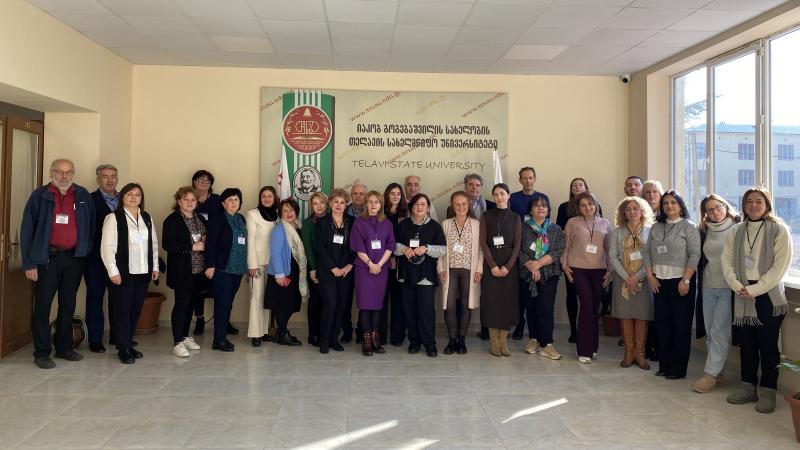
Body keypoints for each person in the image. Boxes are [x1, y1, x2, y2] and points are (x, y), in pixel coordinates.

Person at [722, 187, 792, 414]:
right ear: (743, 205)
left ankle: (769, 390)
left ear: (767, 204)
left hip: (768, 295)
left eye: (759, 201)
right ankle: (748, 387)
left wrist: (755, 289)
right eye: (749, 201)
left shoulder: (779, 230)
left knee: (768, 346)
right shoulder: (736, 230)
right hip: (742, 293)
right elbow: (726, 262)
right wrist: (738, 286)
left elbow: (780, 267)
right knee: (747, 344)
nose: (753, 205)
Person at [21, 159, 95, 369]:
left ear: (73, 173)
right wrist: (29, 263)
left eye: (69, 172)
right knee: (42, 307)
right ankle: (42, 352)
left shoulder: (82, 195)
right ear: (51, 173)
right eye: (60, 172)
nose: (64, 176)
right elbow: (27, 230)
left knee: (68, 305)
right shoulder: (40, 196)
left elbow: (91, 226)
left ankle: (64, 347)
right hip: (47, 259)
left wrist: (85, 249)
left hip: (74, 258)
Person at [101, 183, 159, 364]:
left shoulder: (146, 217)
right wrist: (113, 271)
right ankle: (123, 348)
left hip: (143, 272)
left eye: (138, 195)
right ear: (122, 197)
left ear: (141, 198)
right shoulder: (113, 218)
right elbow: (107, 247)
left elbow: (153, 244)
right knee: (122, 311)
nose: (134, 198)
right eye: (129, 194)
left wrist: (155, 267)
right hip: (123, 273)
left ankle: (128, 342)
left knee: (135, 310)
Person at [645, 190, 700, 379]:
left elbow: (695, 254)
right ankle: (664, 365)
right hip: (659, 281)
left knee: (680, 326)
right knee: (662, 325)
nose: (669, 206)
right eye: (666, 203)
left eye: (673, 203)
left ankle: (677, 369)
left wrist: (686, 279)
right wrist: (650, 276)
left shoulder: (689, 227)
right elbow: (647, 252)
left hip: (681, 282)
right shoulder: (656, 227)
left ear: (680, 206)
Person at [692, 194, 739, 392]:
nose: (715, 212)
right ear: (705, 214)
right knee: (711, 331)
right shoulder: (705, 230)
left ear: (725, 207)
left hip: (728, 287)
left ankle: (709, 375)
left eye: (718, 207)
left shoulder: (738, 228)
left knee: (720, 331)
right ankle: (718, 373)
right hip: (708, 286)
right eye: (710, 210)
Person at [562, 192, 611, 364]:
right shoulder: (572, 222)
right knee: (587, 305)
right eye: (583, 205)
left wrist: (611, 270)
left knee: (595, 308)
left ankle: (593, 346)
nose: (587, 207)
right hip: (578, 269)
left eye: (590, 204)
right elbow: (566, 245)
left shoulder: (605, 223)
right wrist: (564, 265)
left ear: (595, 205)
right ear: (578, 208)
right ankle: (583, 349)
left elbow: (609, 248)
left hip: (599, 270)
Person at [395, 193, 446, 357]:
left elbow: (443, 250)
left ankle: (430, 344)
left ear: (428, 208)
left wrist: (427, 248)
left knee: (426, 312)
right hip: (406, 274)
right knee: (409, 311)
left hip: (426, 276)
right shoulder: (403, 225)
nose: (419, 207)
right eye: (416, 204)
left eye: (423, 204)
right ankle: (414, 342)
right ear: (411, 208)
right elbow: (393, 246)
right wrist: (404, 249)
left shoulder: (435, 227)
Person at [609, 196, 654, 369]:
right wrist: (627, 277)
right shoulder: (617, 232)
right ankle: (629, 353)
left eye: (635, 208)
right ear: (623, 213)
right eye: (628, 209)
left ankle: (640, 354)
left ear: (642, 211)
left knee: (642, 315)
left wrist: (637, 276)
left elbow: (653, 257)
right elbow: (613, 257)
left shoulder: (650, 231)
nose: (632, 212)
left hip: (644, 279)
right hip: (622, 280)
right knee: (625, 314)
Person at [519, 193, 565, 360]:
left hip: (549, 274)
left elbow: (558, 251)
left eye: (544, 206)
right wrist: (531, 266)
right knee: (530, 308)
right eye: (536, 205)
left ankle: (547, 344)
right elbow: (518, 250)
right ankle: (533, 339)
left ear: (548, 209)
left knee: (546, 309)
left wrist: (538, 264)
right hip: (527, 273)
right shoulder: (522, 227)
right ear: (530, 209)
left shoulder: (555, 229)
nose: (540, 208)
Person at [161, 186, 205, 358]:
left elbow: (203, 236)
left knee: (190, 305)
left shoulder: (199, 218)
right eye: (185, 199)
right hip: (182, 271)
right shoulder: (172, 220)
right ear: (178, 201)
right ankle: (177, 342)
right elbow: (168, 244)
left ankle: (185, 337)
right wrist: (192, 247)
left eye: (193, 199)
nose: (189, 202)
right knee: (181, 305)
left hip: (198, 270)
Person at [437, 191, 483, 355]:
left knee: (465, 305)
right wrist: (440, 268)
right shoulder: (446, 224)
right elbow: (440, 249)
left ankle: (461, 340)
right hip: (450, 270)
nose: (461, 207)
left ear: (468, 205)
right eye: (457, 204)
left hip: (469, 271)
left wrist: (479, 268)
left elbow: (481, 250)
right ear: (452, 205)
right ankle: (452, 339)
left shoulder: (476, 224)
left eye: (464, 204)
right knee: (449, 306)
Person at [351, 191, 395, 356]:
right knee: (365, 306)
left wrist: (379, 265)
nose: (373, 205)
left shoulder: (387, 223)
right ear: (366, 204)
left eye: (376, 202)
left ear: (381, 204)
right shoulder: (358, 222)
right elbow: (358, 247)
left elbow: (390, 245)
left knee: (377, 306)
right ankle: (367, 340)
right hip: (364, 269)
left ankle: (376, 339)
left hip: (381, 270)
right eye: (370, 201)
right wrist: (370, 264)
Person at [480, 183, 522, 357]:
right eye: (496, 194)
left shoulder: (515, 217)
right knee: (492, 303)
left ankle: (503, 342)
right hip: (491, 263)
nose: (499, 197)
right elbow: (483, 243)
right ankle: (494, 342)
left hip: (508, 265)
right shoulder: (486, 215)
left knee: (506, 303)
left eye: (502, 193)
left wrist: (508, 266)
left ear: (508, 195)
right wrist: (492, 266)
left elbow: (517, 244)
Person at [204, 188, 248, 352]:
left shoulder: (240, 218)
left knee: (228, 303)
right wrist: (210, 265)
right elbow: (210, 243)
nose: (233, 203)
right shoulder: (218, 218)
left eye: (236, 199)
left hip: (238, 268)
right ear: (223, 203)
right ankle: (219, 340)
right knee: (222, 304)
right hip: (223, 268)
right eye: (230, 200)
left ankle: (222, 335)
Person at [509, 167, 549, 340]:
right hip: (520, 247)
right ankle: (519, 325)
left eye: (531, 177)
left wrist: (539, 259)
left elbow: (547, 223)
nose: (528, 181)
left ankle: (538, 330)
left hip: (540, 250)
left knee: (538, 296)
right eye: (524, 178)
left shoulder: (542, 197)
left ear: (535, 179)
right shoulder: (513, 198)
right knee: (520, 294)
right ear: (520, 180)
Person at [555, 177, 596, 343]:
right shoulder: (564, 207)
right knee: (572, 294)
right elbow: (560, 230)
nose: (577, 187)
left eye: (581, 184)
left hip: (593, 260)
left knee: (588, 298)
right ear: (571, 189)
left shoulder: (595, 205)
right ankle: (574, 330)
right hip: (571, 257)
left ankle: (587, 330)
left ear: (586, 187)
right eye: (574, 185)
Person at [314, 189, 354, 354]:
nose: (339, 205)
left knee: (341, 306)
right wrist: (333, 268)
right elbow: (319, 248)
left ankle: (334, 338)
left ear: (346, 205)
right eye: (336, 202)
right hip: (327, 272)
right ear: (330, 203)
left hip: (346, 272)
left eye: (342, 202)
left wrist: (348, 266)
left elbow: (356, 246)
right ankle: (324, 340)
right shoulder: (321, 222)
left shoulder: (352, 222)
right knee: (330, 305)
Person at [84, 164, 119, 353]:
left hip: (119, 259)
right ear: (98, 180)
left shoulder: (126, 199)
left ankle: (117, 336)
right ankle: (95, 339)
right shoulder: (89, 199)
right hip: (95, 259)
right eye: (105, 176)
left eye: (113, 176)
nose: (110, 180)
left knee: (118, 298)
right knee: (95, 298)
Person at [266, 198, 308, 346]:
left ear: (296, 211)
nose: (289, 213)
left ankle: (281, 332)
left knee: (291, 303)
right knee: (282, 305)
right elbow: (275, 253)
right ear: (280, 213)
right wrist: (279, 274)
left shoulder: (299, 227)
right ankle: (283, 334)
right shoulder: (279, 229)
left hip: (295, 272)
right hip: (283, 272)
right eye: (285, 211)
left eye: (292, 210)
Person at [190, 169, 224, 336]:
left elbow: (224, 221)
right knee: (197, 288)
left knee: (220, 287)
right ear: (194, 182)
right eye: (200, 180)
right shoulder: (189, 198)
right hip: (195, 251)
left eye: (207, 180)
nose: (204, 182)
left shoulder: (217, 200)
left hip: (216, 249)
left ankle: (223, 320)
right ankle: (200, 319)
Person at [245, 186, 279, 347]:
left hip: (273, 263)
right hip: (257, 263)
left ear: (274, 198)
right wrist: (252, 265)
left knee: (267, 298)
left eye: (270, 196)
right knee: (256, 297)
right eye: (263, 196)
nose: (266, 199)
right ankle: (255, 334)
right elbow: (250, 240)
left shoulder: (277, 215)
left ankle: (264, 331)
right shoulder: (252, 214)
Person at [301, 191, 328, 347]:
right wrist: (313, 268)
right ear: (311, 206)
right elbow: (308, 248)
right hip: (315, 269)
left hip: (330, 269)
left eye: (322, 203)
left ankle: (325, 332)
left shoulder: (332, 220)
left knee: (328, 302)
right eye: (315, 203)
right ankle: (314, 334)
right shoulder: (308, 223)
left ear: (327, 204)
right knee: (316, 302)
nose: (319, 206)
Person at [383, 183, 408, 346]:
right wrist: (389, 257)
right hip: (382, 262)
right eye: (392, 193)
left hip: (402, 262)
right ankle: (381, 335)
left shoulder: (406, 214)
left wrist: (395, 256)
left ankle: (397, 336)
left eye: (398, 194)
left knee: (399, 300)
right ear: (387, 195)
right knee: (382, 299)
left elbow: (405, 238)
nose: (395, 196)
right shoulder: (381, 213)